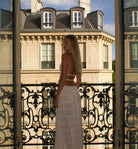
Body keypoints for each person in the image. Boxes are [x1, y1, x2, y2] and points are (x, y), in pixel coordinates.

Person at [54, 34, 83, 149]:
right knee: (72, 124)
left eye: (66, 42)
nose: (63, 44)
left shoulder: (65, 56)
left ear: (72, 45)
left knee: (64, 125)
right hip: (73, 93)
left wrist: (57, 96)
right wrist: (71, 90)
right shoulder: (77, 59)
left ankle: (67, 146)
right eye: (63, 42)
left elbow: (62, 77)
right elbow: (78, 82)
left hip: (65, 92)